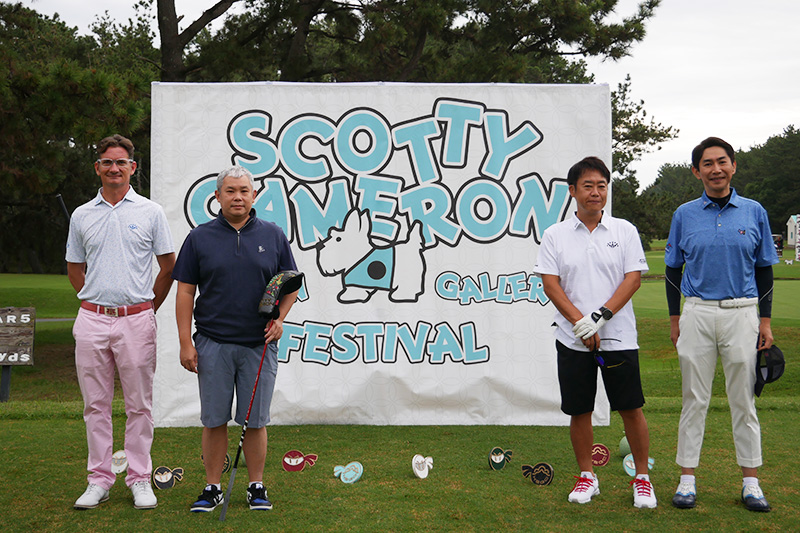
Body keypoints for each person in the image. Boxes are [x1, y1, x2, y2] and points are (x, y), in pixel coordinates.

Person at [173, 166, 299, 513]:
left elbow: (291, 284)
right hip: (213, 343)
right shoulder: (199, 237)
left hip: (259, 345)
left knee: (255, 421)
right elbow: (185, 292)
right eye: (230, 191)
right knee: (214, 420)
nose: (238, 197)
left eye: (244, 191)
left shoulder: (273, 235)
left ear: (254, 195)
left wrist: (280, 320)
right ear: (217, 196)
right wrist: (185, 342)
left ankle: (256, 486)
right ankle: (212, 487)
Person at [534, 156, 656, 508]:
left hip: (619, 336)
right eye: (588, 186)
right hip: (572, 338)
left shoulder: (624, 230)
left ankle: (642, 478)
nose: (596, 192)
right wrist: (581, 324)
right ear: (573, 191)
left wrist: (599, 318)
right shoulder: (555, 235)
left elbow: (633, 279)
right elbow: (551, 285)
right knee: (580, 409)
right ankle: (587, 476)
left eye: (602, 186)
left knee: (630, 407)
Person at [665, 137, 778, 512]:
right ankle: (687, 480)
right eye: (707, 164)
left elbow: (764, 269)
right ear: (696, 172)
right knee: (693, 399)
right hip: (697, 311)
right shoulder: (684, 214)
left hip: (742, 312)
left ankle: (751, 483)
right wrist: (675, 318)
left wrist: (765, 321)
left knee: (743, 400)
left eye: (722, 161)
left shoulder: (754, 211)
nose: (716, 169)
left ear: (733, 166)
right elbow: (672, 270)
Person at [67, 134, 176, 510]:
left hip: (137, 320)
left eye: (121, 162)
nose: (114, 168)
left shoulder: (151, 212)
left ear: (133, 167)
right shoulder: (82, 215)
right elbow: (74, 267)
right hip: (92, 320)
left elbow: (168, 267)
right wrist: (95, 300)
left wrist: (148, 308)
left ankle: (139, 478)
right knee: (95, 405)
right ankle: (98, 479)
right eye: (107, 162)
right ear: (97, 167)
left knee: (139, 405)